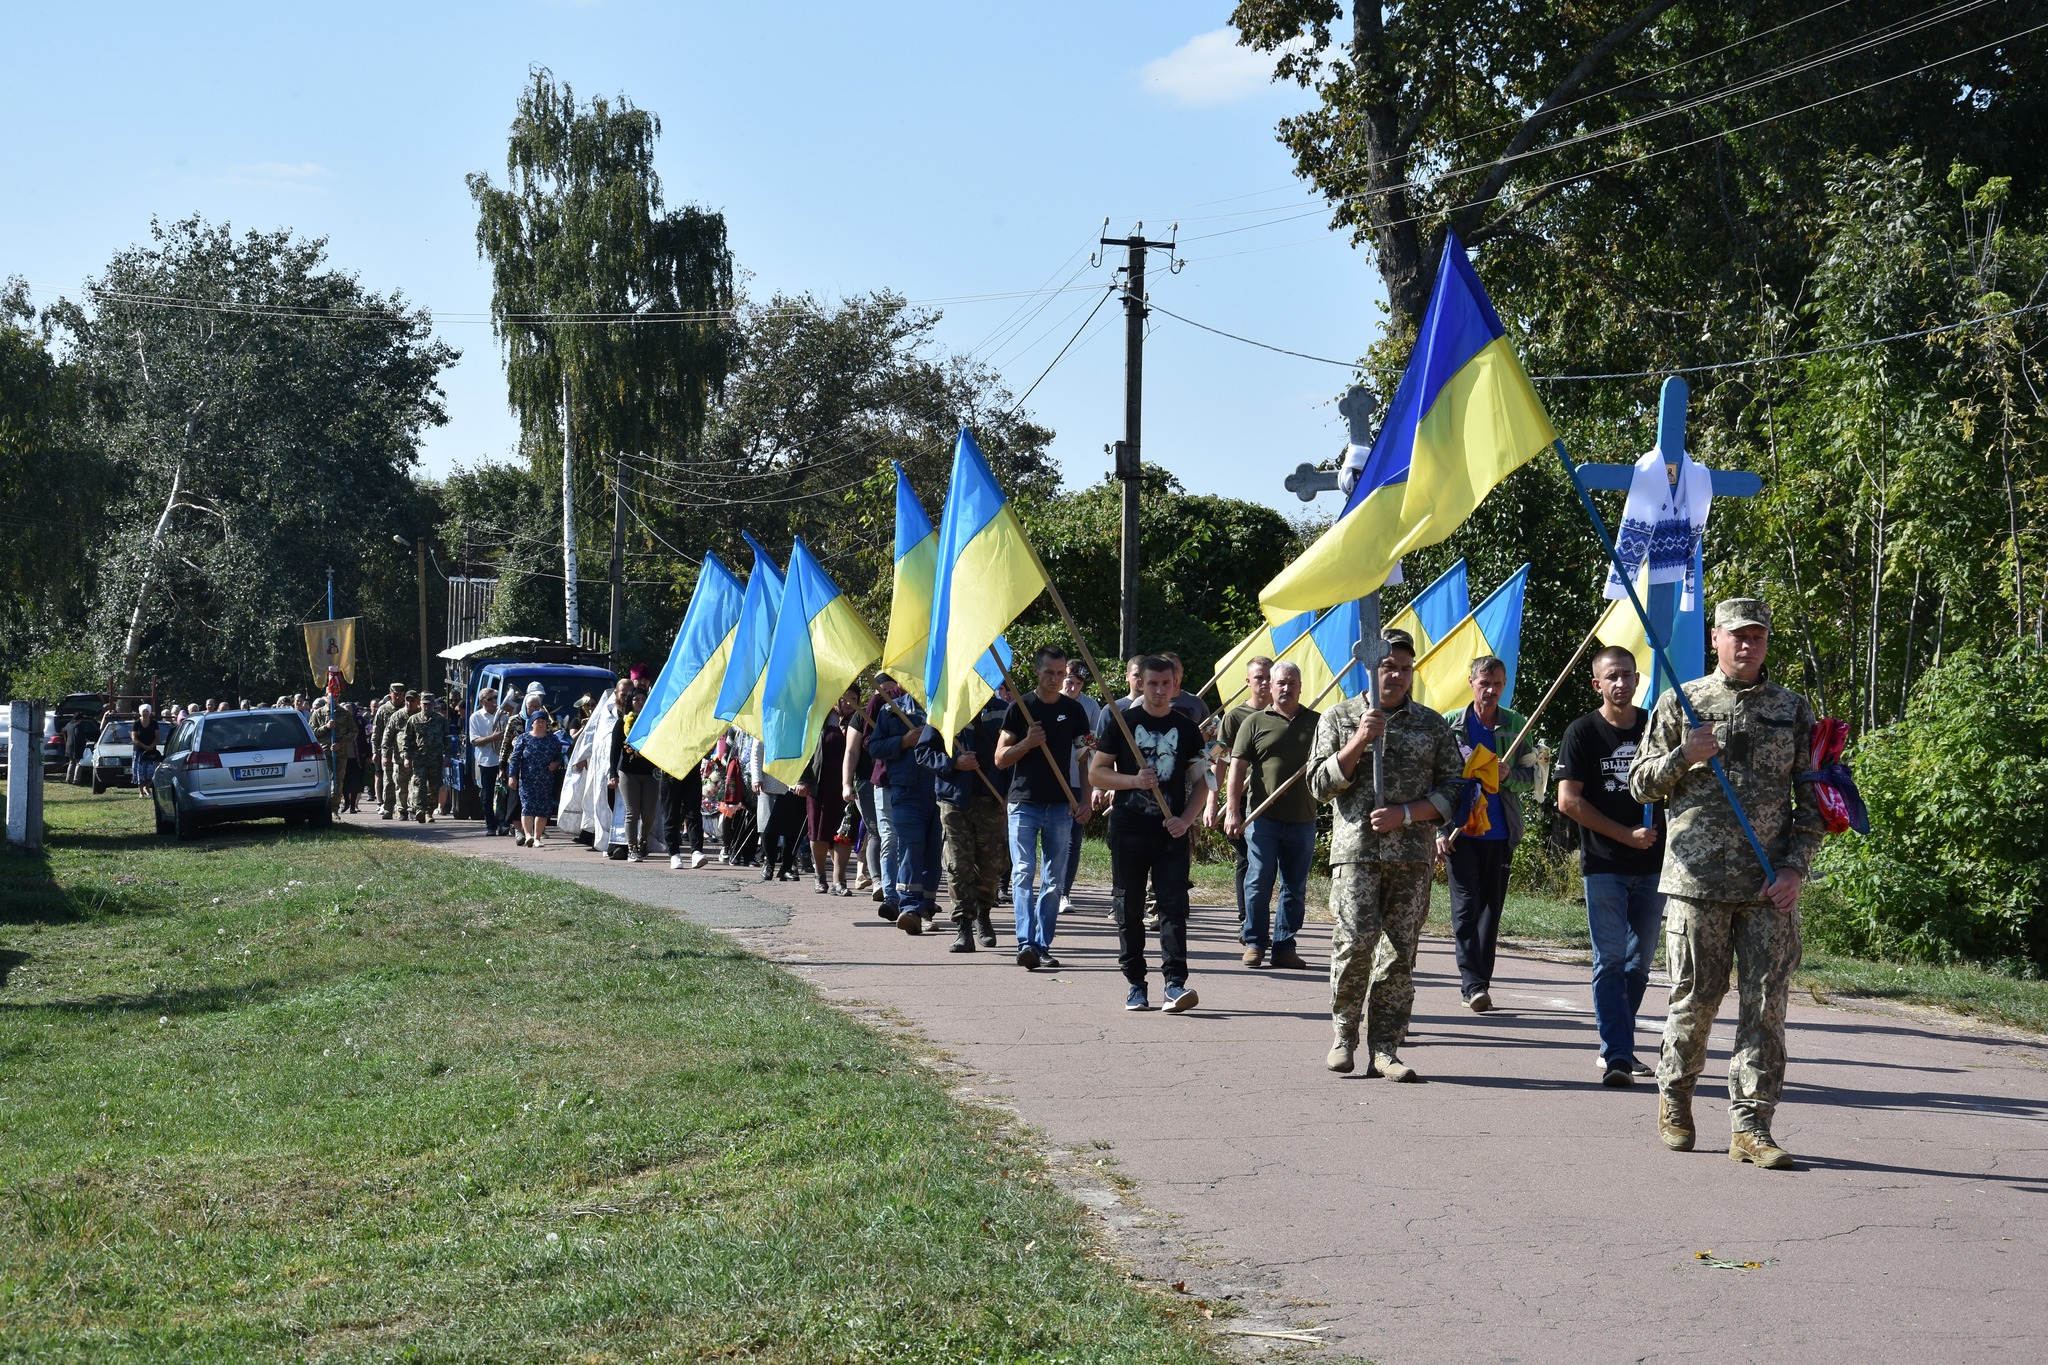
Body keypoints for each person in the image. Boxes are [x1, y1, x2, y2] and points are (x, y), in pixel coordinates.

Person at [1630, 598, 1825, 1170]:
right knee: (1695, 1000)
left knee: (1766, 1007)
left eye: (1757, 636)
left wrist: (1794, 869)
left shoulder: (1793, 710)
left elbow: (1814, 801)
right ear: (1715, 638)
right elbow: (1640, 785)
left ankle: (1752, 1126)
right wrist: (1682, 757)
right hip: (1697, 881)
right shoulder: (1682, 701)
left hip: (1767, 887)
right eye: (1737, 635)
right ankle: (1676, 1098)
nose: (1747, 645)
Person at [1309, 629, 1465, 1081]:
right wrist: (1358, 741)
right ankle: (1343, 1034)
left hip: (1412, 855)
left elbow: (1456, 789)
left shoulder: (1432, 724)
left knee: (1400, 954)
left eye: (1403, 668)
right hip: (1356, 853)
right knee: (1355, 944)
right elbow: (1317, 785)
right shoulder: (1339, 717)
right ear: (1370, 669)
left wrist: (1408, 813)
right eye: (1387, 667)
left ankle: (1386, 1048)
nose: (1395, 675)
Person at [1557, 646, 1667, 1088]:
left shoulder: (1655, 728)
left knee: (1639, 964)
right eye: (1612, 677)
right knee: (1611, 959)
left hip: (1657, 865)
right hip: (1604, 864)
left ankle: (1616, 1042)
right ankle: (1618, 1054)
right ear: (1597, 684)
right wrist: (1626, 836)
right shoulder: (1582, 732)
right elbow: (1569, 801)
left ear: (1638, 679)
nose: (1620, 683)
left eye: (1627, 675)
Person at [1092, 655, 1209, 1013]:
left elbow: (1203, 781)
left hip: (1169, 832)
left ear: (1175, 685)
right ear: (1140, 683)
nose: (1159, 690)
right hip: (1128, 829)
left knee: (1173, 906)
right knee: (1128, 907)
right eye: (1152, 683)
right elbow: (1097, 773)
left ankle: (1175, 984)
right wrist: (1133, 781)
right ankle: (1135, 983)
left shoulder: (1187, 728)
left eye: (1166, 683)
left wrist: (1186, 819)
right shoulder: (1122, 723)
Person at [1437, 655, 1540, 1013]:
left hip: (1500, 833)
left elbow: (1535, 779)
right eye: (1485, 683)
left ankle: (1480, 980)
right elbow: (1435, 779)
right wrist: (1439, 828)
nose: (1491, 690)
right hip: (1460, 832)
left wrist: (1509, 774)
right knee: (1465, 908)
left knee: (1490, 912)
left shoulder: (1515, 725)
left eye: (1498, 684)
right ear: (1471, 683)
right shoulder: (1451, 726)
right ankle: (1473, 985)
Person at [996, 646, 1091, 970]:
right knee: (1023, 873)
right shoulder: (1020, 707)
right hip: (1023, 803)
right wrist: (1027, 742)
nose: (1055, 678)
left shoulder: (1074, 711)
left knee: (1053, 880)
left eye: (1060, 673)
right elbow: (999, 758)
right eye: (1049, 672)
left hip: (1060, 805)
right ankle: (1025, 942)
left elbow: (1083, 757)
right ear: (1037, 672)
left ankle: (1041, 944)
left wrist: (1086, 799)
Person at [1228, 659, 1320, 970]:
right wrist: (1232, 811)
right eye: (1280, 682)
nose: (1286, 687)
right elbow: (1237, 767)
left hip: (1303, 818)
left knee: (1294, 885)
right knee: (1259, 878)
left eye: (1292, 682)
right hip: (1262, 818)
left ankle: (1284, 945)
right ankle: (1254, 942)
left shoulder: (1317, 722)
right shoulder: (1254, 722)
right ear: (1271, 685)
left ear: (1300, 687)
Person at [868, 688, 945, 931]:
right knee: (911, 846)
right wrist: (904, 741)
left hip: (940, 786)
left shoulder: (946, 704)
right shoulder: (892, 709)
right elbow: (875, 747)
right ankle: (910, 907)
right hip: (906, 789)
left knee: (934, 851)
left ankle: (927, 908)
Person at [938, 690, 1009, 952]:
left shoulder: (1003, 709)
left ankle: (984, 913)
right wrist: (953, 763)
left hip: (992, 800)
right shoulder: (947, 710)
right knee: (958, 865)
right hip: (955, 801)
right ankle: (963, 927)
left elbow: (1014, 754)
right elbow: (924, 751)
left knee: (990, 866)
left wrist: (1010, 790)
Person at [1211, 655, 1275, 931]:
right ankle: (1245, 919)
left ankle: (1263, 920)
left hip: (1276, 800)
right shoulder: (1234, 717)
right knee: (1248, 860)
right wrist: (1212, 801)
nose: (1265, 682)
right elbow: (1216, 760)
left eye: (1269, 677)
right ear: (1248, 682)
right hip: (1245, 803)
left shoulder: (1286, 713)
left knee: (1271, 867)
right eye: (1259, 677)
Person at [801, 688, 859, 893]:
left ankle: (839, 879)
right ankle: (820, 875)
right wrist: (803, 779)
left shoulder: (859, 721)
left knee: (844, 832)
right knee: (819, 832)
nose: (849, 703)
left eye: (854, 699)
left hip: (847, 786)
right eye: (845, 698)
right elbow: (807, 751)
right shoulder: (821, 718)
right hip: (821, 783)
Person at [1055, 664, 1101, 914]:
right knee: (1052, 837)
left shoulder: (1091, 707)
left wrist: (1094, 786)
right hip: (1051, 781)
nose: (1071, 687)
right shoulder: (1048, 700)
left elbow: (1094, 747)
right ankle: (1047, 888)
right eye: (1069, 680)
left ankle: (1064, 893)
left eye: (1077, 683)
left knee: (1073, 840)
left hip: (1078, 780)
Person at [608, 685, 658, 862]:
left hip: (650, 773)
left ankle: (643, 840)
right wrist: (612, 772)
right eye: (636, 699)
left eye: (643, 699)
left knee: (649, 813)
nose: (640, 702)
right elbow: (614, 750)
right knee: (632, 812)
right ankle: (632, 848)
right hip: (628, 772)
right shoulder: (622, 722)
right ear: (630, 702)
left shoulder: (653, 721)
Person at [507, 710, 565, 846]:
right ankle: (528, 836)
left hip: (545, 779)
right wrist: (512, 776)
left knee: (543, 809)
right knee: (527, 806)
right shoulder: (524, 738)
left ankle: (537, 838)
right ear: (532, 724)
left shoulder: (553, 739)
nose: (541, 724)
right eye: (538, 722)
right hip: (527, 780)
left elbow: (560, 757)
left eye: (543, 722)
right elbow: (515, 759)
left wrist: (556, 764)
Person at [401, 693, 448, 825]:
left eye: (429, 704)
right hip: (419, 759)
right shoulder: (414, 720)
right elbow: (407, 740)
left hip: (435, 759)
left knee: (433, 787)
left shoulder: (441, 720)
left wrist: (448, 756)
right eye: (424, 704)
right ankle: (420, 810)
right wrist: (406, 757)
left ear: (433, 705)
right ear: (420, 704)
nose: (426, 707)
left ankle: (429, 811)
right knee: (419, 785)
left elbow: (447, 739)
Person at [663, 747, 709, 871]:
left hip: (691, 768)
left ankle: (696, 852)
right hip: (669, 770)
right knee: (671, 814)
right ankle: (674, 854)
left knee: (693, 813)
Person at [469, 688, 508, 835]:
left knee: (506, 794)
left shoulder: (504, 716)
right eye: (490, 699)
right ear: (482, 702)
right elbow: (474, 740)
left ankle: (504, 823)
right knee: (487, 795)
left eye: (495, 698)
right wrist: (494, 737)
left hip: (503, 759)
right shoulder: (476, 717)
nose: (493, 701)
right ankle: (491, 826)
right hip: (487, 761)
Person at [312, 695, 358, 815]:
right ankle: (322, 809)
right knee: (324, 782)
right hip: (323, 754)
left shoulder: (345, 714)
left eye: (336, 696)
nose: (334, 699)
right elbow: (312, 732)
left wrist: (341, 744)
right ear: (325, 696)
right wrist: (326, 727)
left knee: (337, 783)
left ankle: (334, 809)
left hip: (340, 753)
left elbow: (354, 731)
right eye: (331, 696)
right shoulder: (318, 714)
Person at [372, 683, 408, 820]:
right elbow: (377, 733)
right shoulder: (383, 710)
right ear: (390, 693)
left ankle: (402, 809)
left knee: (402, 782)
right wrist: (375, 751)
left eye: (400, 694)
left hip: (403, 753)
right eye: (395, 694)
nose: (398, 697)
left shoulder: (408, 709)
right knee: (388, 781)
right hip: (387, 751)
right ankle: (388, 808)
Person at [131, 704, 162, 790]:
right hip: (139, 750)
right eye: (143, 711)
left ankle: (147, 788)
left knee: (151, 771)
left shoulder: (154, 723)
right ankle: (141, 791)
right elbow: (134, 737)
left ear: (149, 712)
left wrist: (151, 746)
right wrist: (144, 746)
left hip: (151, 751)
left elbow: (157, 736)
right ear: (140, 712)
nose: (145, 713)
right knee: (140, 771)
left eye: (147, 711)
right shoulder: (136, 723)